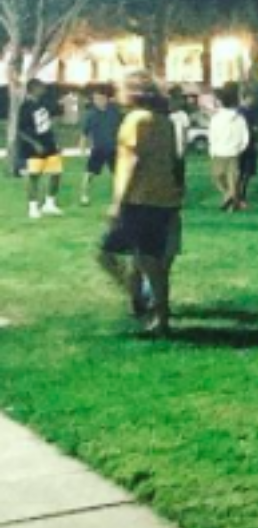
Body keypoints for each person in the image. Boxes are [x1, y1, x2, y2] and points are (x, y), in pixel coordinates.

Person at [97, 71, 186, 337]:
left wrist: (117, 202)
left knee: (111, 255)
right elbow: (175, 160)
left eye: (121, 89)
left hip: (140, 200)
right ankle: (148, 307)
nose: (117, 94)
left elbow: (130, 163)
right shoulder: (164, 121)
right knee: (150, 261)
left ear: (134, 92)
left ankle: (156, 311)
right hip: (164, 199)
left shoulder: (135, 120)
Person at [16, 80, 64, 220]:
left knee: (56, 173)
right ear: (33, 89)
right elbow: (20, 131)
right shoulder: (25, 107)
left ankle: (49, 204)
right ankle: (33, 207)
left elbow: (50, 123)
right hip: (33, 148)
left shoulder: (43, 104)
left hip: (49, 145)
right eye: (41, 87)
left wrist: (56, 142)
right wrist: (35, 143)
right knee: (34, 176)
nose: (44, 89)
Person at [207, 90, 251, 212]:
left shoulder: (219, 118)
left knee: (223, 178)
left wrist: (213, 149)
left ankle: (230, 201)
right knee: (228, 179)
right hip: (227, 152)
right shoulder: (238, 118)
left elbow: (212, 136)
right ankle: (232, 200)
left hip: (225, 152)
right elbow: (245, 137)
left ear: (220, 102)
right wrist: (239, 148)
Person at [80, 87, 123, 208]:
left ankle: (118, 199)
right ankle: (84, 196)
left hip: (113, 149)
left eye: (100, 98)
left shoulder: (115, 112)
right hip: (98, 149)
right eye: (95, 99)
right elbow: (84, 134)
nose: (98, 101)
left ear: (106, 99)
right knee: (89, 174)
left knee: (118, 175)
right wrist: (82, 150)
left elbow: (122, 129)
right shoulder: (90, 115)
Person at [236, 92, 258, 210]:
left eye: (252, 100)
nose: (251, 102)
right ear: (243, 99)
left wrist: (257, 141)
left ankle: (242, 194)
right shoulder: (238, 113)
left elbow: (256, 128)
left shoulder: (252, 111)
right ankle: (239, 196)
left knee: (248, 173)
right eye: (249, 99)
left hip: (251, 145)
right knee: (241, 172)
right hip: (241, 145)